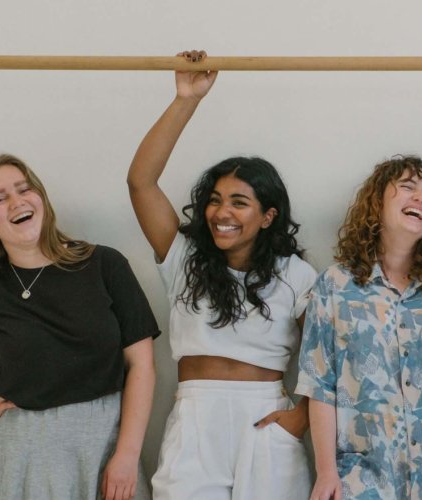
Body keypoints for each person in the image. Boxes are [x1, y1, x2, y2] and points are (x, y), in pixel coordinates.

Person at [0, 154, 159, 500]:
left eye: (24, 189)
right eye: (0, 198)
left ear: (40, 198)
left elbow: (142, 365)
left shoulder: (104, 265)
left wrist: (126, 454)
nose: (16, 201)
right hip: (26, 453)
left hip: (106, 445)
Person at [127, 51, 315, 499]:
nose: (222, 212)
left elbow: (327, 357)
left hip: (267, 418)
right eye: (215, 200)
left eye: (239, 202)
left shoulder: (296, 274)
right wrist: (186, 99)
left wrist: (301, 418)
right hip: (196, 417)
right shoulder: (184, 258)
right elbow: (140, 182)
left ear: (268, 216)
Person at [297, 156, 422, 500]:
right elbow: (321, 385)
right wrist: (326, 472)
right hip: (365, 479)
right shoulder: (336, 284)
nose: (420, 197)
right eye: (407, 187)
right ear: (377, 203)